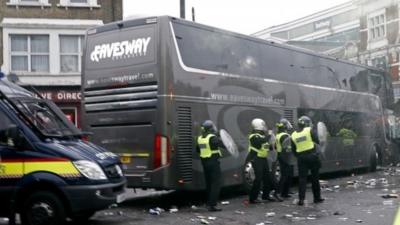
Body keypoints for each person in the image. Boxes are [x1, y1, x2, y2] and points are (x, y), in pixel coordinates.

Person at [291, 116, 324, 206]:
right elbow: (317, 142)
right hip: (312, 156)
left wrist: (299, 155)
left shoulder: (293, 134)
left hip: (301, 158)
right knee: (315, 178)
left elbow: (293, 149)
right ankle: (317, 198)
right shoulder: (309, 130)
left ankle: (301, 199)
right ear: (306, 123)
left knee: (302, 179)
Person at [247, 118, 282, 204]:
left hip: (263, 159)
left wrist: (273, 145)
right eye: (263, 124)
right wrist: (269, 136)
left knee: (267, 177)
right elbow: (259, 143)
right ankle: (253, 198)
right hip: (256, 158)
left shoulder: (263, 136)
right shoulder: (253, 136)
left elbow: (267, 147)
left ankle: (265, 196)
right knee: (258, 178)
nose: (264, 126)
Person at [197, 120, 224, 212]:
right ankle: (212, 205)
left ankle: (209, 203)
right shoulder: (212, 137)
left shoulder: (200, 138)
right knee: (216, 184)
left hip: (205, 163)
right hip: (213, 162)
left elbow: (198, 149)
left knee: (209, 183)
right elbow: (224, 145)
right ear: (210, 128)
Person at [275, 118, 295, 198]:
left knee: (286, 175)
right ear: (284, 126)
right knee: (286, 175)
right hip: (286, 155)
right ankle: (279, 192)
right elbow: (288, 147)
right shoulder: (284, 135)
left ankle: (285, 193)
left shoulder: (278, 134)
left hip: (280, 155)